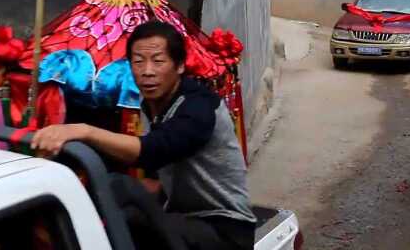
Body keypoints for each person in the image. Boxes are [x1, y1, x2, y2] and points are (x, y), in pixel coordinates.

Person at [31, 21, 256, 250]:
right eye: (138, 62)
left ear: (179, 66)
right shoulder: (150, 104)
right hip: (180, 219)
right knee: (118, 207)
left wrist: (83, 131)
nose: (147, 71)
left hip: (225, 231)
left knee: (122, 188)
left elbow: (153, 150)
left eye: (158, 61)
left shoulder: (199, 107)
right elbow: (153, 179)